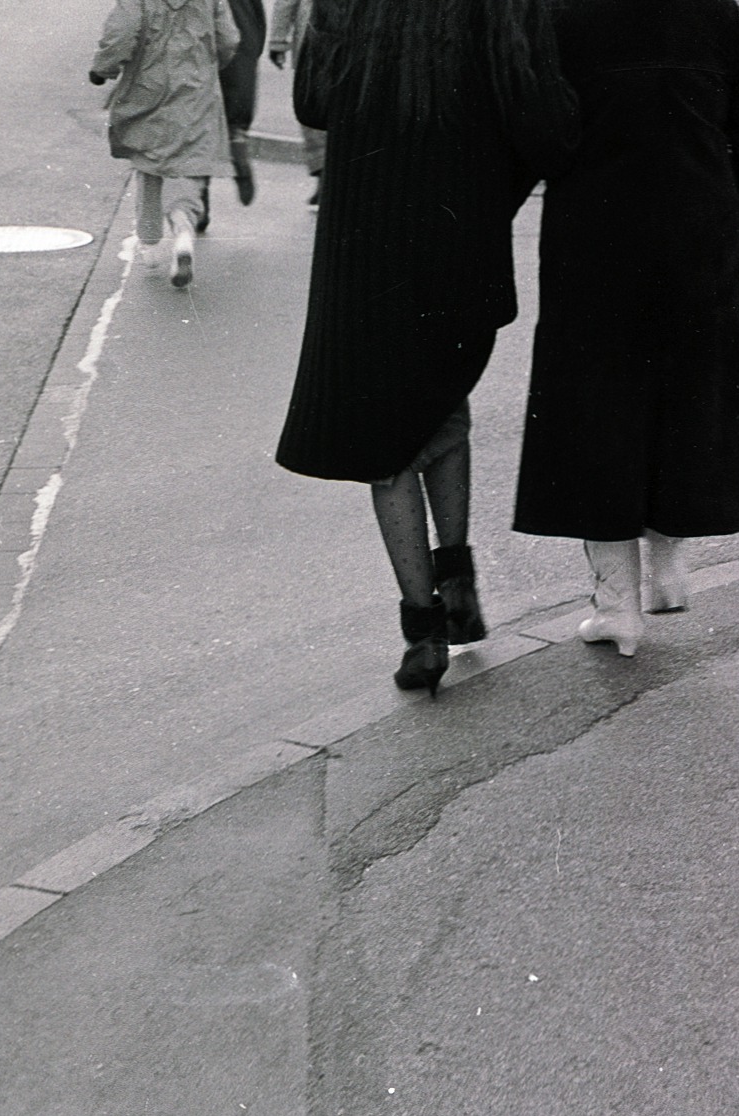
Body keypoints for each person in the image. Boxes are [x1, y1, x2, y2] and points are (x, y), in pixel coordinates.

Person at [275, 0, 578, 696]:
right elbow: (542, 120)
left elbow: (315, 99)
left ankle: (424, 629)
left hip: (366, 234)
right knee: (440, 402)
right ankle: (458, 577)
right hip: (457, 232)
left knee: (385, 439)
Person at [512, 0, 739, 657]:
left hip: (594, 246)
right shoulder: (719, 16)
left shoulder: (564, 19)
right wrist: (724, 215)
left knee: (597, 417)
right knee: (685, 403)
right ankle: (670, 565)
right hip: (697, 240)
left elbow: (531, 136)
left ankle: (617, 606)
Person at [90, 0, 241, 287]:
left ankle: (148, 242)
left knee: (149, 160)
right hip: (196, 87)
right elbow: (229, 38)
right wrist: (209, 62)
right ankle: (183, 230)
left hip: (148, 86)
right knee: (187, 162)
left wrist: (103, 69)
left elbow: (121, 33)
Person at [267, 0, 326, 206]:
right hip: (353, 33)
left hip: (312, 32)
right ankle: (330, 173)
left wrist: (278, 40)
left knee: (311, 103)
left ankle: (322, 172)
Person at [217, 0, 267, 209]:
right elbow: (260, 20)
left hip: (210, 53)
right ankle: (240, 159)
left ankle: (200, 206)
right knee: (235, 127)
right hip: (243, 50)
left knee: (200, 129)